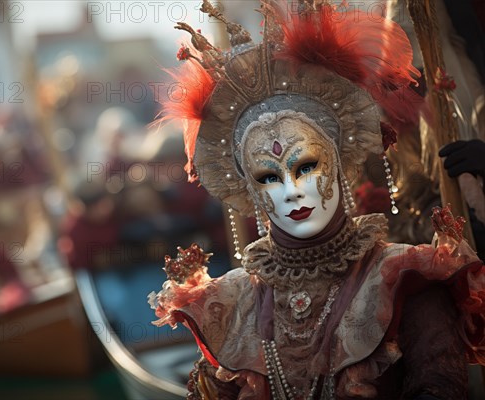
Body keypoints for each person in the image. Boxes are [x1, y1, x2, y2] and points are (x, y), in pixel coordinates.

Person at [147, 1, 485, 398]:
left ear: (339, 162)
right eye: (269, 177)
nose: (291, 190)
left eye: (305, 166)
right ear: (250, 188)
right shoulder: (230, 304)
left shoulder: (404, 281)